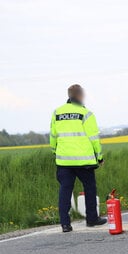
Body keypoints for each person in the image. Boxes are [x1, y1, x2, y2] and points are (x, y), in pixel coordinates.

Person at [49, 84, 107, 233]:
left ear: (69, 95)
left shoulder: (57, 112)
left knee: (65, 190)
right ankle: (92, 219)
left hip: (64, 160)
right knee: (89, 187)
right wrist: (99, 157)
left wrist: (55, 152)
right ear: (80, 95)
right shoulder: (86, 113)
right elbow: (94, 138)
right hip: (83, 161)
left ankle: (65, 224)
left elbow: (53, 136)